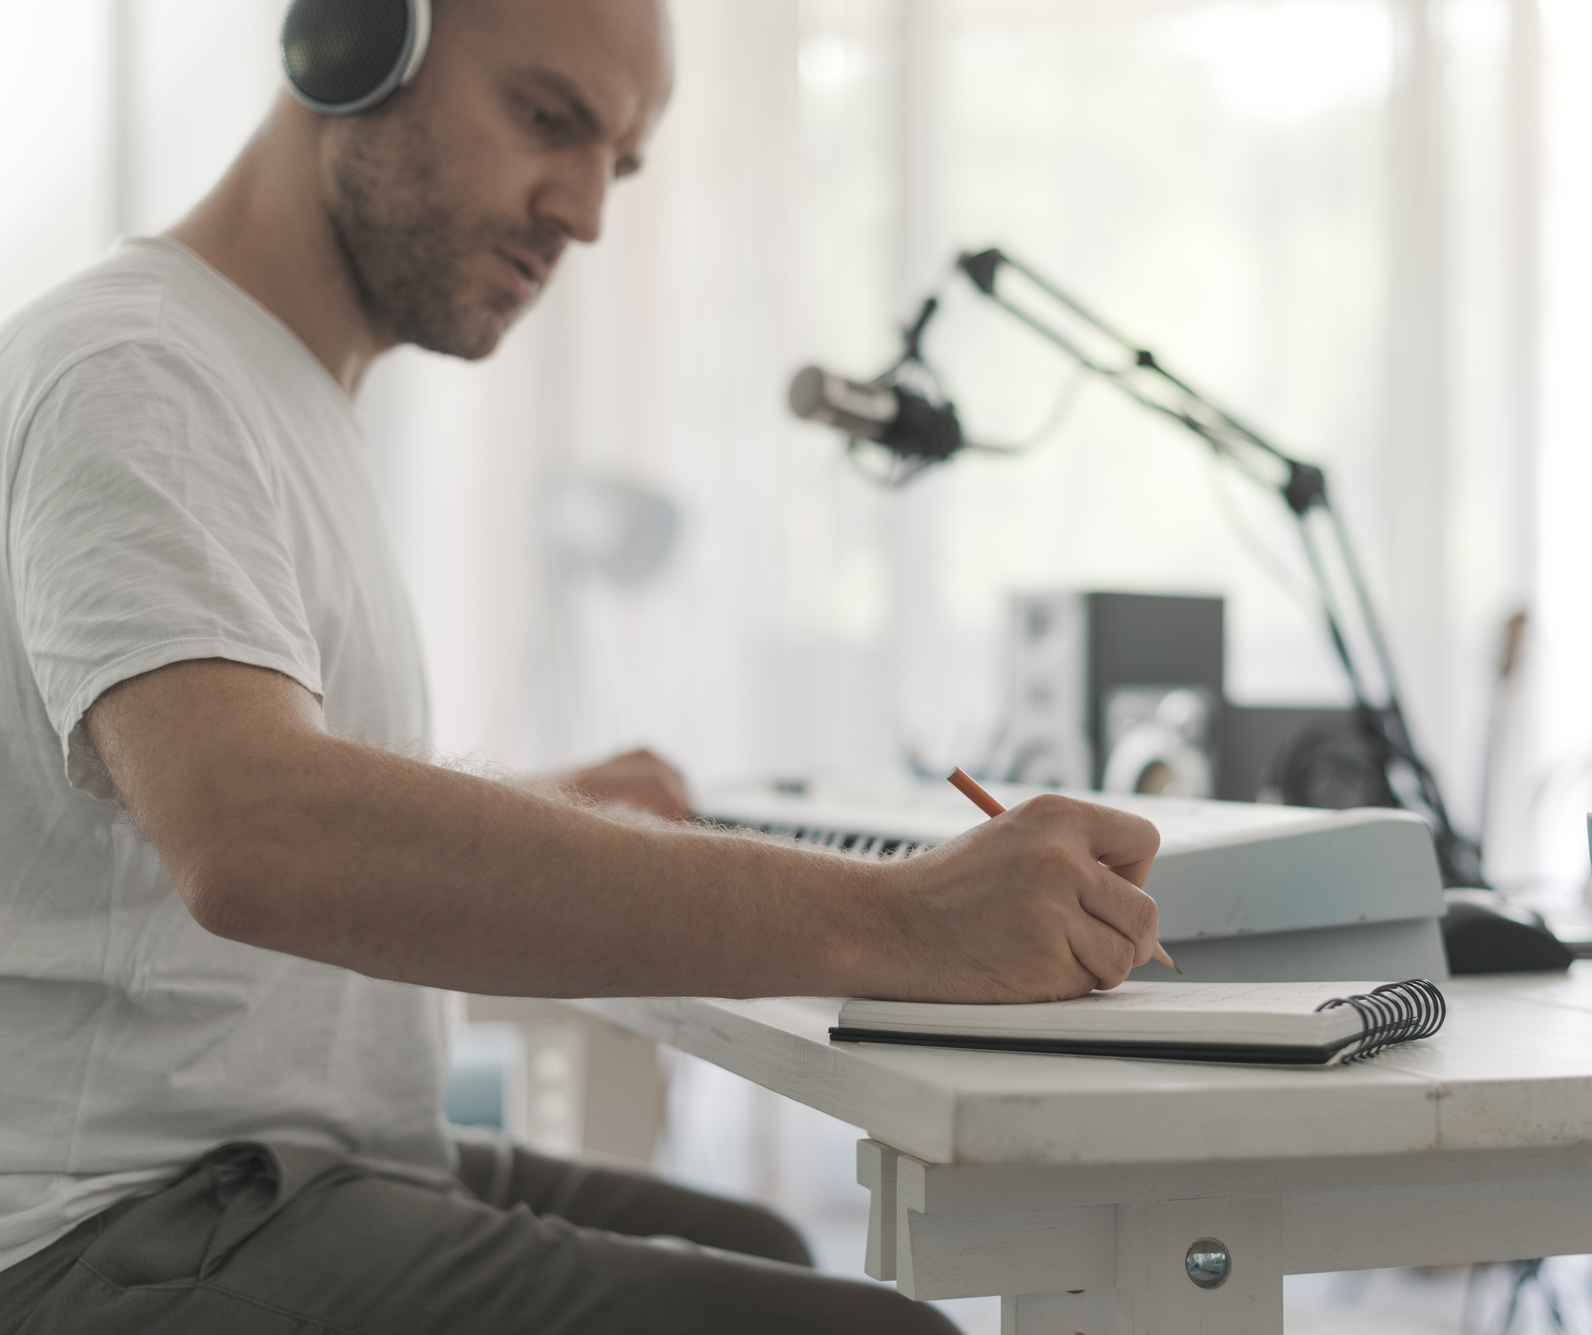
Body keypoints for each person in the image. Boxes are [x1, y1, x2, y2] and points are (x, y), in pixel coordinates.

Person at [0, 0, 1164, 1330]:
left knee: (767, 1242)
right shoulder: (142, 370)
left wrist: (540, 803)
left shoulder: (267, 386)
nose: (586, 213)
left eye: (618, 161)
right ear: (349, 39)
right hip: (112, 1230)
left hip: (265, 1168)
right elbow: (255, 828)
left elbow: (191, 798)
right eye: (547, 119)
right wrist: (908, 918)